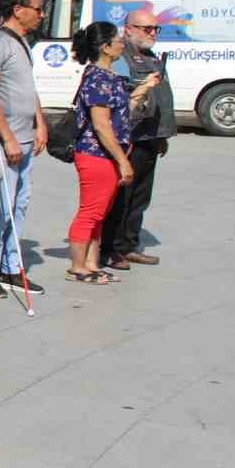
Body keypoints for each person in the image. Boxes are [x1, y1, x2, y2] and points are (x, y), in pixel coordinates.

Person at [0, 0, 50, 301]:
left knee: (20, 204)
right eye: (38, 8)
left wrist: (40, 122)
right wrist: (8, 138)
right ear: (18, 10)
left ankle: (11, 265)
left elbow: (27, 89)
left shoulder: (23, 42)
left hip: (26, 137)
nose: (42, 15)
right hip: (8, 142)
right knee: (2, 206)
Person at [66, 21, 160, 284]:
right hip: (95, 154)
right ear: (106, 47)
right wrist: (123, 161)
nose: (122, 43)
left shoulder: (112, 77)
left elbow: (121, 113)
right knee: (90, 211)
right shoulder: (97, 78)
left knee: (100, 212)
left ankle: (92, 263)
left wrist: (143, 89)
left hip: (106, 155)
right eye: (117, 40)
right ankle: (77, 266)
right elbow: (101, 125)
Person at [101, 7, 174, 269]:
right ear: (129, 29)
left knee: (140, 198)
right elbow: (121, 99)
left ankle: (128, 245)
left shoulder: (151, 57)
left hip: (149, 138)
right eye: (147, 28)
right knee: (122, 197)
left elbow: (160, 98)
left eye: (155, 29)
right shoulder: (122, 58)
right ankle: (109, 249)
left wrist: (162, 135)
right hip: (129, 139)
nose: (153, 33)